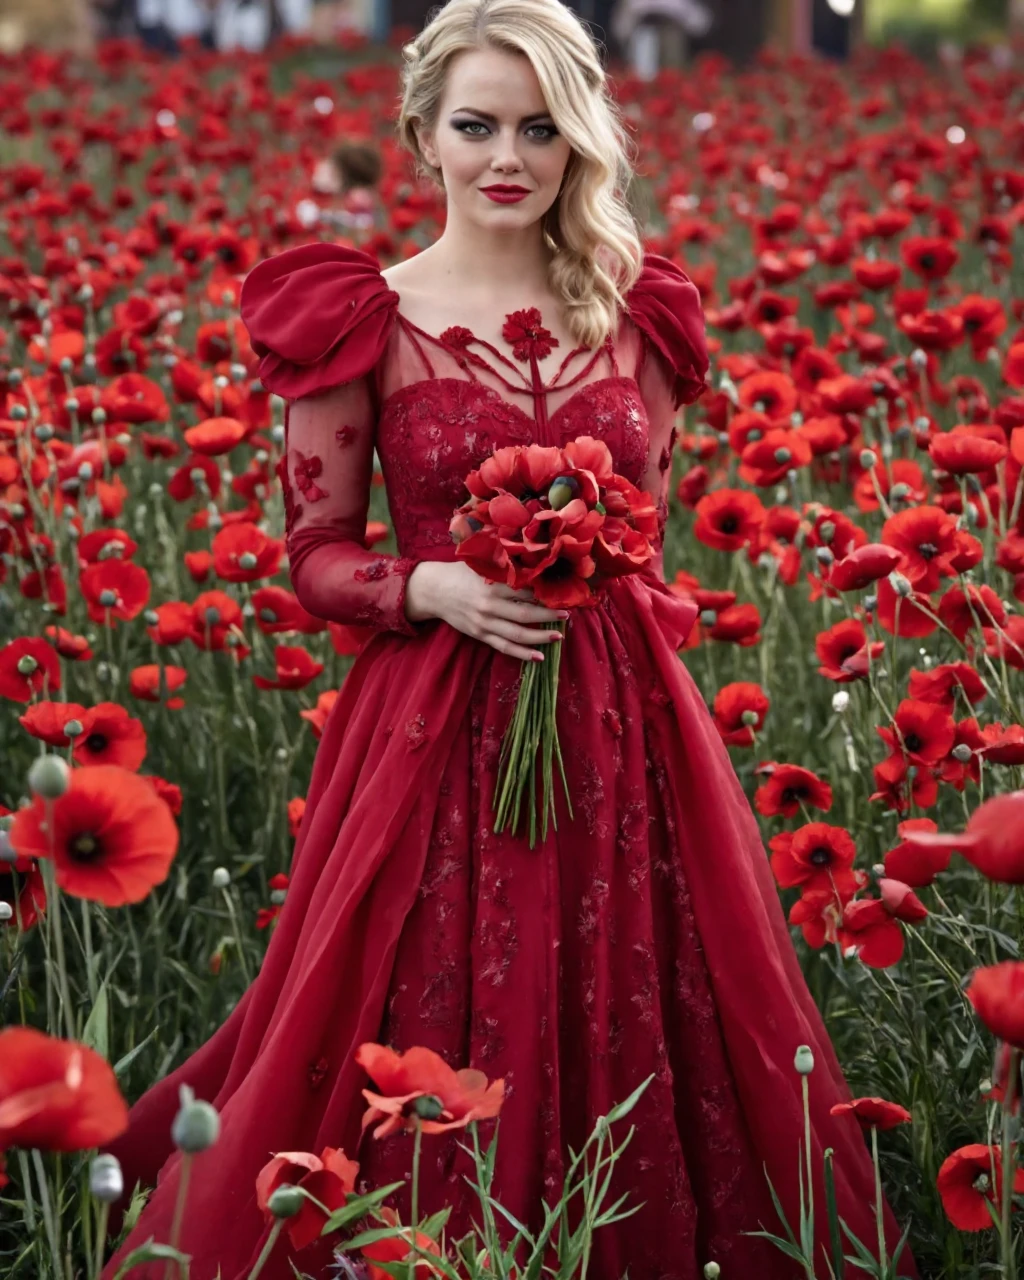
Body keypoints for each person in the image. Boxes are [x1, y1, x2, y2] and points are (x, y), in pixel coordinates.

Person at [100, 1, 917, 1277]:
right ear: (422, 136)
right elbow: (312, 551)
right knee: (423, 987)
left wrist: (599, 570)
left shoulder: (634, 306)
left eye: (539, 127)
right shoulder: (356, 314)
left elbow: (643, 527)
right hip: (431, 716)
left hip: (619, 711)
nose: (507, 156)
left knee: (642, 987)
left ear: (577, 137)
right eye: (476, 124)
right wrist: (426, 586)